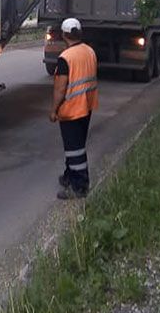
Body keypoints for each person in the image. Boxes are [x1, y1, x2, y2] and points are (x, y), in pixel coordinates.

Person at [50, 18, 98, 200]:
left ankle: (79, 187)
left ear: (64, 35)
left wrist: (54, 110)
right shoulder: (89, 51)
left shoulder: (66, 58)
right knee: (77, 144)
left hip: (71, 109)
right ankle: (69, 176)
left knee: (74, 149)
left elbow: (60, 88)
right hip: (87, 105)